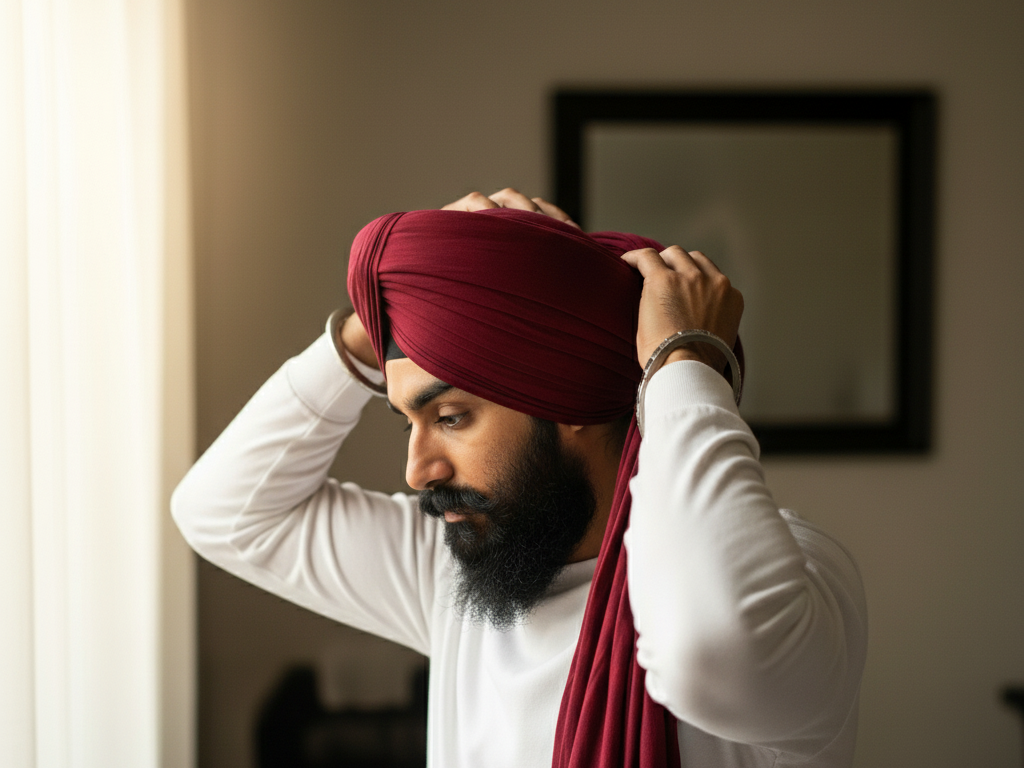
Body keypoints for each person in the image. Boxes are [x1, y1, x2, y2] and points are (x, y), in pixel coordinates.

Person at [172, 189, 867, 768]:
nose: (417, 472)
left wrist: (686, 361)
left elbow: (708, 649)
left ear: (561, 402)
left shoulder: (799, 583)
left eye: (449, 416)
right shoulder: (454, 574)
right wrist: (381, 320)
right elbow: (223, 512)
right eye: (406, 422)